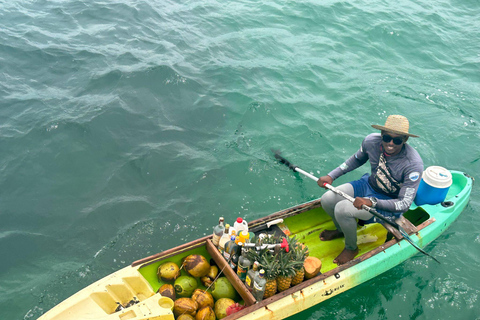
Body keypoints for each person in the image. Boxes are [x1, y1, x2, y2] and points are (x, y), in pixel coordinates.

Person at [317, 115, 423, 265]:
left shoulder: (413, 164)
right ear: (381, 135)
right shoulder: (371, 141)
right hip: (368, 185)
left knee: (341, 209)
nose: (391, 143)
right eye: (387, 138)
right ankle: (341, 229)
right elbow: (357, 159)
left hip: (387, 203)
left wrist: (371, 202)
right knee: (327, 199)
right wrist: (331, 176)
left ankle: (351, 248)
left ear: (405, 140)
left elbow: (404, 203)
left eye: (397, 140)